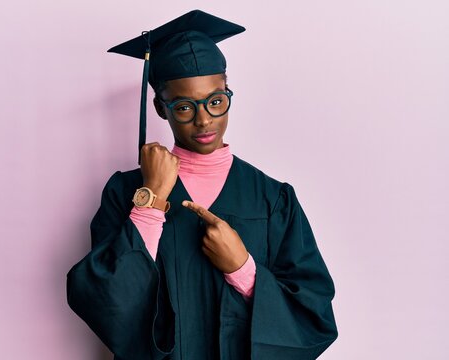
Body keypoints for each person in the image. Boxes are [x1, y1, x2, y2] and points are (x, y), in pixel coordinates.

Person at [66, 9, 338, 360]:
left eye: (216, 101)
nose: (205, 118)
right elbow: (102, 300)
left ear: (227, 93)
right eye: (183, 107)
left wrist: (244, 269)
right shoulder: (125, 193)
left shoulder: (273, 199)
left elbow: (314, 318)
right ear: (161, 109)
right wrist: (150, 204)